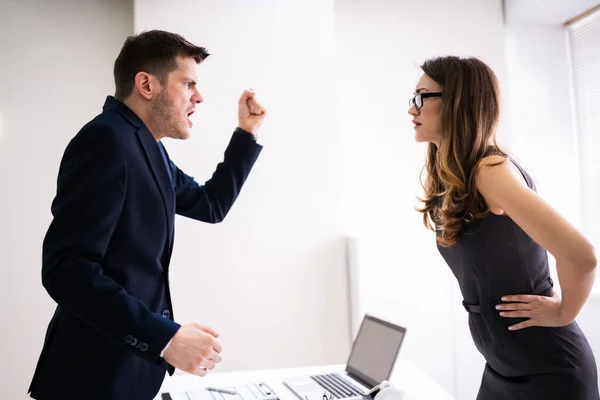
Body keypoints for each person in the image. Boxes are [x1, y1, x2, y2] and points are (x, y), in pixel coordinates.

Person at [28, 30, 266, 400]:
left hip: (128, 377)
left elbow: (210, 205)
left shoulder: (148, 148)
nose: (198, 97)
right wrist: (165, 335)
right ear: (146, 84)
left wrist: (246, 132)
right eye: (188, 84)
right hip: (89, 382)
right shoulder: (106, 141)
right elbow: (67, 270)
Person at [408, 55, 598, 399]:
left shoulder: (490, 171)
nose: (412, 109)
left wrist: (564, 311)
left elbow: (581, 254)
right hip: (501, 367)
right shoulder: (456, 177)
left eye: (422, 97)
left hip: (548, 371)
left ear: (457, 103)